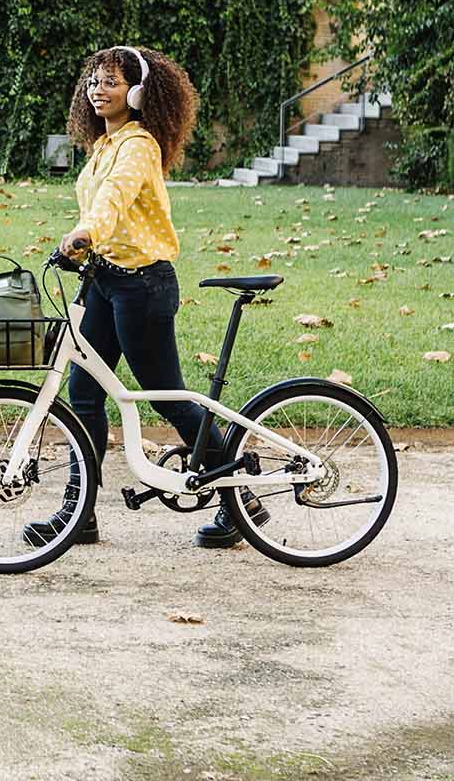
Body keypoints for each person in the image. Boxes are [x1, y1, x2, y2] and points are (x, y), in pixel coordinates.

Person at [24, 45, 266, 550]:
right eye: (93, 79)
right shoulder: (103, 146)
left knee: (165, 395)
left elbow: (113, 200)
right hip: (108, 281)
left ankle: (241, 501)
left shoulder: (138, 146)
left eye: (111, 80)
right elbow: (105, 204)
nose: (97, 88)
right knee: (84, 394)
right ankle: (79, 514)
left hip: (143, 286)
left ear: (135, 92)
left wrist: (86, 231)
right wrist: (86, 248)